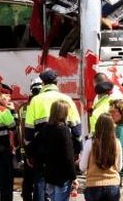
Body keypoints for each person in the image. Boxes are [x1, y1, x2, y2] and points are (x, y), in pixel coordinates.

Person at [24, 70, 81, 201]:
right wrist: (77, 150)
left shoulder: (35, 101)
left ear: (43, 83)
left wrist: (29, 153)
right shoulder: (66, 99)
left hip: (41, 151)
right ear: (56, 82)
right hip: (63, 150)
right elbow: (76, 128)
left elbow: (28, 131)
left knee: (40, 184)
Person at [33, 100, 77, 201]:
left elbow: (34, 147)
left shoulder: (45, 128)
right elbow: (68, 156)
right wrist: (73, 176)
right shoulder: (63, 130)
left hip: (49, 174)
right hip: (62, 176)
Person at [79, 114, 122, 201]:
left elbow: (82, 167)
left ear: (97, 126)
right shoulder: (117, 143)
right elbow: (119, 167)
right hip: (112, 184)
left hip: (93, 185)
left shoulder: (90, 142)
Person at [19, 78, 43, 201]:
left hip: (26, 148)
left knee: (28, 178)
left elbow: (20, 130)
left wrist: (21, 149)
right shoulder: (42, 105)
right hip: (39, 148)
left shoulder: (23, 108)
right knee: (40, 178)